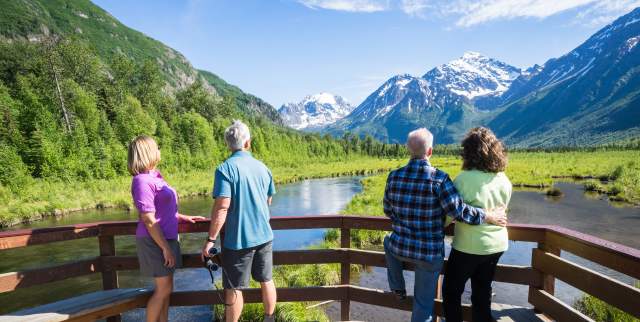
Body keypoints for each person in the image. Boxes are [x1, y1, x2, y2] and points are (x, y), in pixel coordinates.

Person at [383, 128, 507, 322]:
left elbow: (388, 210)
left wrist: (406, 221)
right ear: (430, 151)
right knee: (423, 305)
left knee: (387, 241)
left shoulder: (393, 176)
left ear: (408, 150)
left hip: (401, 247)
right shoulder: (439, 179)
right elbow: (458, 211)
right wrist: (488, 216)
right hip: (428, 254)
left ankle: (397, 287)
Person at [201, 120, 277, 322]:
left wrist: (210, 239)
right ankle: (269, 319)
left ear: (228, 144)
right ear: (248, 143)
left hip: (238, 240)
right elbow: (268, 199)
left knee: (233, 288)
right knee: (266, 280)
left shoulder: (225, 169)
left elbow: (222, 206)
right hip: (264, 235)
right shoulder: (263, 168)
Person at [128, 135, 205, 322]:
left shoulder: (155, 176)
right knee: (163, 290)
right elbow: (148, 218)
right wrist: (165, 248)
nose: (160, 150)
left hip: (166, 238)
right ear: (148, 153)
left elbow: (163, 210)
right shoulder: (141, 181)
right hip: (155, 240)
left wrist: (183, 217)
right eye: (157, 147)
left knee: (167, 289)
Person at [443, 127, 512, 322]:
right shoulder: (504, 180)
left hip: (468, 246)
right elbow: (501, 211)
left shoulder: (463, 179)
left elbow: (450, 212)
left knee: (451, 292)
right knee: (482, 293)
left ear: (468, 151)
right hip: (496, 245)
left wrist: (440, 224)